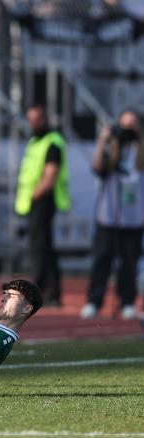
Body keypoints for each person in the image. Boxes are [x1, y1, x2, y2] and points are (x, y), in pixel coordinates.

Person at [82, 111, 144, 321]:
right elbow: (97, 167)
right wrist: (103, 140)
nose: (128, 130)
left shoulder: (139, 151)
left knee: (129, 263)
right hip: (108, 217)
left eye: (132, 126)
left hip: (133, 220)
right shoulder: (111, 148)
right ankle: (94, 301)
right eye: (124, 125)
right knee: (102, 261)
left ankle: (127, 301)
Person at [15, 105, 70, 307]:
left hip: (43, 201)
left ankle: (41, 292)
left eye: (36, 119)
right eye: (30, 119)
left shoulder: (52, 143)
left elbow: (50, 176)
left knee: (40, 249)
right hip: (35, 202)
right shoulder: (36, 141)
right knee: (43, 247)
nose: (33, 123)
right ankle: (52, 293)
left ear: (45, 119)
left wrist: (33, 196)